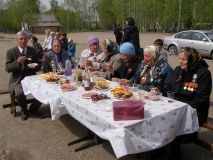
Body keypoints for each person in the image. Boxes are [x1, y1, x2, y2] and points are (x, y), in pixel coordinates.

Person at [170, 47, 212, 159]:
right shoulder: (178, 69)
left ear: (192, 59)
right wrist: (159, 91)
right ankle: (162, 150)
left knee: (172, 124)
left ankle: (175, 155)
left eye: (183, 59)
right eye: (179, 58)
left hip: (194, 111)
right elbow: (171, 87)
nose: (180, 62)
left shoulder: (204, 74)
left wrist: (180, 108)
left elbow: (201, 100)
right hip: (177, 107)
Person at [5, 31, 42, 120]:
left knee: (44, 89)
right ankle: (24, 110)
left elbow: (39, 65)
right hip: (18, 79)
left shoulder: (32, 50)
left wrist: (35, 67)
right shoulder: (11, 52)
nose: (23, 41)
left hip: (31, 77)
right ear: (17, 40)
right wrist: (17, 62)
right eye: (21, 39)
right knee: (19, 93)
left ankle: (33, 108)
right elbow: (8, 68)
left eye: (25, 39)